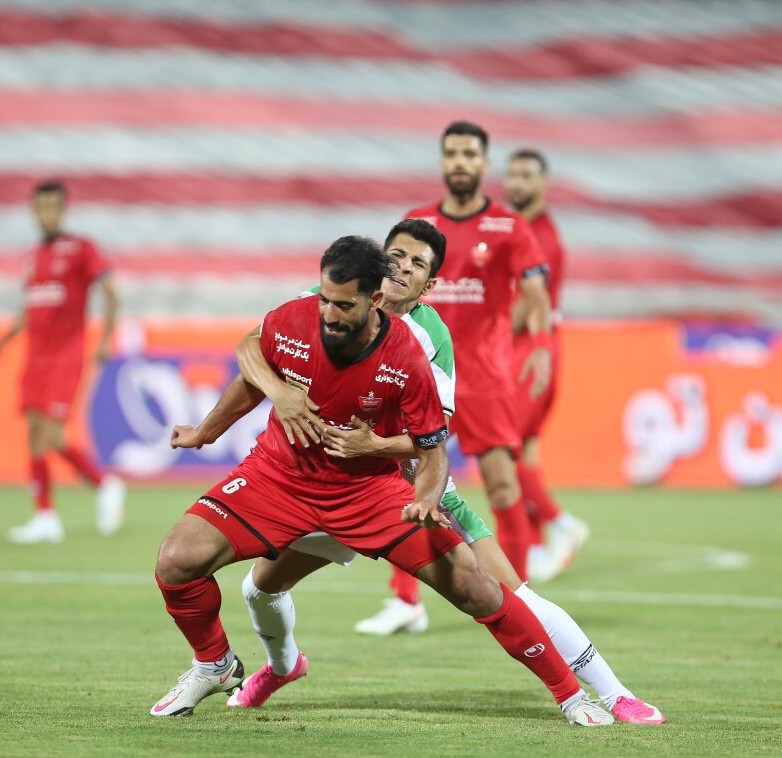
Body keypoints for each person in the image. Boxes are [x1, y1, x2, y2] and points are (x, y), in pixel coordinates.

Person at [152, 234, 611, 726]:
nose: (328, 315)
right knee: (178, 560)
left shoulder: (408, 355)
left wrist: (425, 498)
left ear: (374, 299)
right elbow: (251, 356)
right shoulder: (297, 315)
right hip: (279, 477)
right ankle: (215, 663)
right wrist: (224, 422)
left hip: (368, 491)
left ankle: (571, 696)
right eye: (325, 300)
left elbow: (432, 447)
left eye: (342, 306)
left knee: (474, 585)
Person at [354, 120, 556, 636]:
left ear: (484, 163)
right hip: (416, 372)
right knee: (405, 481)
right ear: (442, 160)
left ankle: (518, 596)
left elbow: (536, 296)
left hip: (485, 378)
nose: (460, 162)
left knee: (503, 486)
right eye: (452, 153)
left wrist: (540, 345)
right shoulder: (417, 226)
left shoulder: (509, 226)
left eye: (469, 154)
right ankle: (405, 601)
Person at [0, 180, 125, 544]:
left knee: (52, 435)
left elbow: (111, 294)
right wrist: (4, 340)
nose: (46, 214)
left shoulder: (81, 249)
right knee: (34, 434)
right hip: (35, 357)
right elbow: (28, 308)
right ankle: (45, 516)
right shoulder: (31, 257)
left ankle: (104, 484)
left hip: (66, 355)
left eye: (53, 206)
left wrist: (105, 339)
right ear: (33, 211)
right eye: (40, 207)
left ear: (63, 209)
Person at [504, 149, 589, 583]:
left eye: (526, 175)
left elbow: (526, 300)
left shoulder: (540, 237)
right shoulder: (523, 229)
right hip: (532, 348)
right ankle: (535, 543)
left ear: (543, 183)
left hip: (530, 350)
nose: (516, 183)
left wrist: (489, 337)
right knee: (522, 448)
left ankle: (560, 522)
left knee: (502, 448)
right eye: (511, 175)